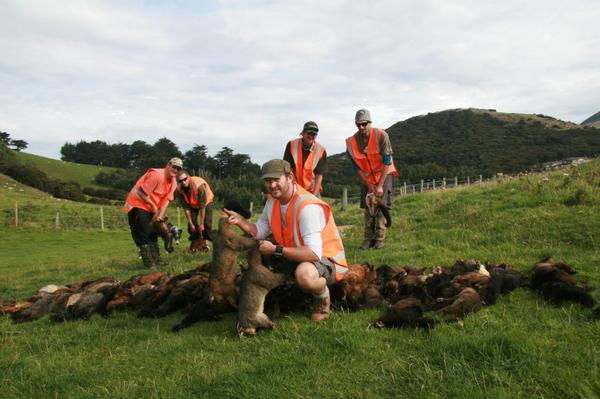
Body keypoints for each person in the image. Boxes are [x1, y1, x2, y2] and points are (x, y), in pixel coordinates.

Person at [222, 159, 349, 321]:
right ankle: (263, 291)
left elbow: (314, 254)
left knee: (304, 276)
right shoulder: (272, 201)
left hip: (326, 261)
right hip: (295, 253)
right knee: (255, 246)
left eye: (276, 180)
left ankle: (322, 295)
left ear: (289, 177)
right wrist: (240, 221)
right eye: (268, 181)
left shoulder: (307, 207)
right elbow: (260, 231)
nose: (272, 185)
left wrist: (276, 250)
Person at [346, 109, 398, 249]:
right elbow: (357, 168)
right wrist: (369, 186)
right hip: (367, 177)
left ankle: (379, 238)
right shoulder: (351, 143)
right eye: (358, 125)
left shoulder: (382, 136)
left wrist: (380, 186)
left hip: (384, 173)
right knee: (369, 206)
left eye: (364, 124)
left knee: (381, 205)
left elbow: (387, 162)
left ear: (370, 122)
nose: (361, 127)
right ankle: (368, 238)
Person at [122, 157, 182, 267]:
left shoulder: (173, 182)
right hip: (137, 203)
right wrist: (154, 206)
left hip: (150, 207)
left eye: (178, 169)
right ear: (168, 165)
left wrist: (159, 216)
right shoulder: (157, 175)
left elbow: (166, 201)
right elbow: (141, 193)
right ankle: (149, 262)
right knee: (143, 232)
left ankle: (157, 260)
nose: (175, 170)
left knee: (153, 232)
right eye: (174, 167)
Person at [283, 121, 327, 196]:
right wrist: (294, 189)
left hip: (312, 189)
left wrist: (314, 195)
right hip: (294, 187)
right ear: (303, 133)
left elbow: (319, 175)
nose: (310, 136)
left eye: (313, 134)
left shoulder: (321, 151)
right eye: (308, 133)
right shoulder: (291, 145)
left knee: (316, 207)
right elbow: (288, 169)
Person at [174, 169, 215, 249]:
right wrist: (191, 223)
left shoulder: (199, 186)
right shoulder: (179, 190)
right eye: (180, 181)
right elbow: (186, 208)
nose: (183, 182)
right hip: (193, 204)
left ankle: (207, 242)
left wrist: (201, 223)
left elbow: (202, 207)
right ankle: (195, 242)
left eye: (185, 179)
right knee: (191, 224)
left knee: (206, 223)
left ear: (189, 177)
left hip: (206, 202)